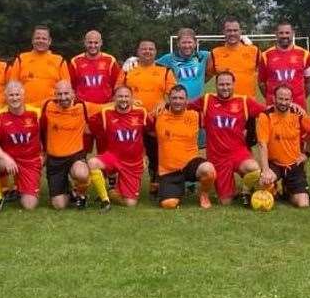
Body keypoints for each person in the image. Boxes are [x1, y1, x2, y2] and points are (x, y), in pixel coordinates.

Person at [189, 71, 266, 206]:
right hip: (218, 158)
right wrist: (163, 106)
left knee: (253, 168)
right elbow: (183, 105)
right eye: (221, 84)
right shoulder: (207, 100)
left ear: (233, 84)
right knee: (225, 202)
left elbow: (268, 111)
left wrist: (293, 107)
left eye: (228, 84)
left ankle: (246, 191)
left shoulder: (244, 101)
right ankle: (232, 191)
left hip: (238, 153)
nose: (225, 87)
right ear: (216, 85)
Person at [118, 39, 175, 199]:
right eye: (144, 49)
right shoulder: (128, 70)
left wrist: (165, 101)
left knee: (155, 152)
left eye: (151, 49)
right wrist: (128, 101)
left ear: (156, 52)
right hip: (131, 120)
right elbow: (117, 90)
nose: (147, 52)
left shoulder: (164, 71)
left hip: (155, 120)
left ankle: (155, 183)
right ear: (138, 51)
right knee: (129, 152)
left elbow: (174, 93)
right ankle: (124, 184)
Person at [39, 80, 109, 211]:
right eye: (59, 94)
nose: (63, 97)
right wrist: (0, 107)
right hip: (54, 160)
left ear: (73, 93)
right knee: (59, 205)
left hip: (75, 156)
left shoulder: (82, 106)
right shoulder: (47, 105)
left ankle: (81, 195)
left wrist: (131, 102)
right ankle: (70, 191)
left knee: (82, 174)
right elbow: (26, 106)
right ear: (54, 94)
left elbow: (105, 107)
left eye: (66, 93)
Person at [149, 85, 216, 209]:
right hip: (169, 170)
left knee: (209, 170)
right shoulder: (158, 115)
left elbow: (216, 121)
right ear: (169, 99)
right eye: (174, 98)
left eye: (181, 98)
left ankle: (204, 195)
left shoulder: (195, 115)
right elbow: (143, 127)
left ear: (186, 100)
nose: (177, 101)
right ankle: (171, 188)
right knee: (168, 204)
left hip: (190, 164)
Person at [0, 81, 43, 211]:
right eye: (11, 95)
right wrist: (6, 158)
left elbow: (48, 135)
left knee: (29, 205)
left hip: (30, 162)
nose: (14, 98)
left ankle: (21, 187)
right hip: (8, 161)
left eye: (17, 94)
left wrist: (45, 156)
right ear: (6, 97)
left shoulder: (37, 113)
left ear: (23, 94)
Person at [87, 86, 149, 206]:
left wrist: (144, 155)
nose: (123, 99)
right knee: (92, 163)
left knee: (130, 204)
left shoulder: (141, 112)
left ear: (132, 98)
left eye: (126, 96)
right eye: (120, 96)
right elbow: (89, 127)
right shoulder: (106, 112)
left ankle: (113, 192)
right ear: (114, 98)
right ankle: (105, 199)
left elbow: (151, 132)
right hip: (113, 157)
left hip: (133, 163)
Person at [256, 85, 310, 208]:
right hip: (274, 164)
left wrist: (306, 153)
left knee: (303, 204)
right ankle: (273, 187)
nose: (283, 102)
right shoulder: (265, 116)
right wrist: (265, 170)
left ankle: (288, 191)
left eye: (287, 99)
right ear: (274, 99)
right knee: (263, 183)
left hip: (294, 164)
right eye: (280, 99)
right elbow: (262, 144)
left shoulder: (298, 114)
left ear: (291, 100)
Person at [9, 25, 71, 106]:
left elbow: (67, 89)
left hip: (51, 109)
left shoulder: (59, 61)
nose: (40, 41)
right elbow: (12, 87)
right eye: (37, 38)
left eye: (44, 38)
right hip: (26, 109)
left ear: (49, 41)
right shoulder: (21, 59)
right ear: (32, 40)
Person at [258, 21, 310, 108]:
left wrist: (300, 97)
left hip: (298, 104)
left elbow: (309, 80)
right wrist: (272, 97)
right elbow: (261, 83)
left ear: (293, 34)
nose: (284, 36)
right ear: (276, 34)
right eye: (281, 33)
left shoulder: (305, 54)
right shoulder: (266, 55)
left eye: (287, 33)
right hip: (274, 105)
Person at [208, 17, 260, 99]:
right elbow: (207, 75)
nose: (232, 33)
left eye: (235, 30)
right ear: (224, 32)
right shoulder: (215, 53)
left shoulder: (254, 50)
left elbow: (264, 75)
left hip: (248, 104)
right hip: (225, 105)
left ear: (240, 32)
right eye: (229, 31)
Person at [155, 28, 211, 102]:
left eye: (189, 42)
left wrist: (202, 79)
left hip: (197, 104)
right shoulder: (169, 58)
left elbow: (213, 70)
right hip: (177, 103)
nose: (187, 46)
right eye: (184, 42)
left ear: (195, 44)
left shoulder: (204, 56)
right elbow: (152, 69)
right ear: (178, 44)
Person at [69, 30, 120, 105]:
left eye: (96, 43)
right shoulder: (75, 61)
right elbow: (71, 87)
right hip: (83, 108)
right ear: (85, 43)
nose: (93, 46)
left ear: (101, 43)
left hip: (104, 106)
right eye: (90, 42)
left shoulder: (110, 60)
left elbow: (118, 85)